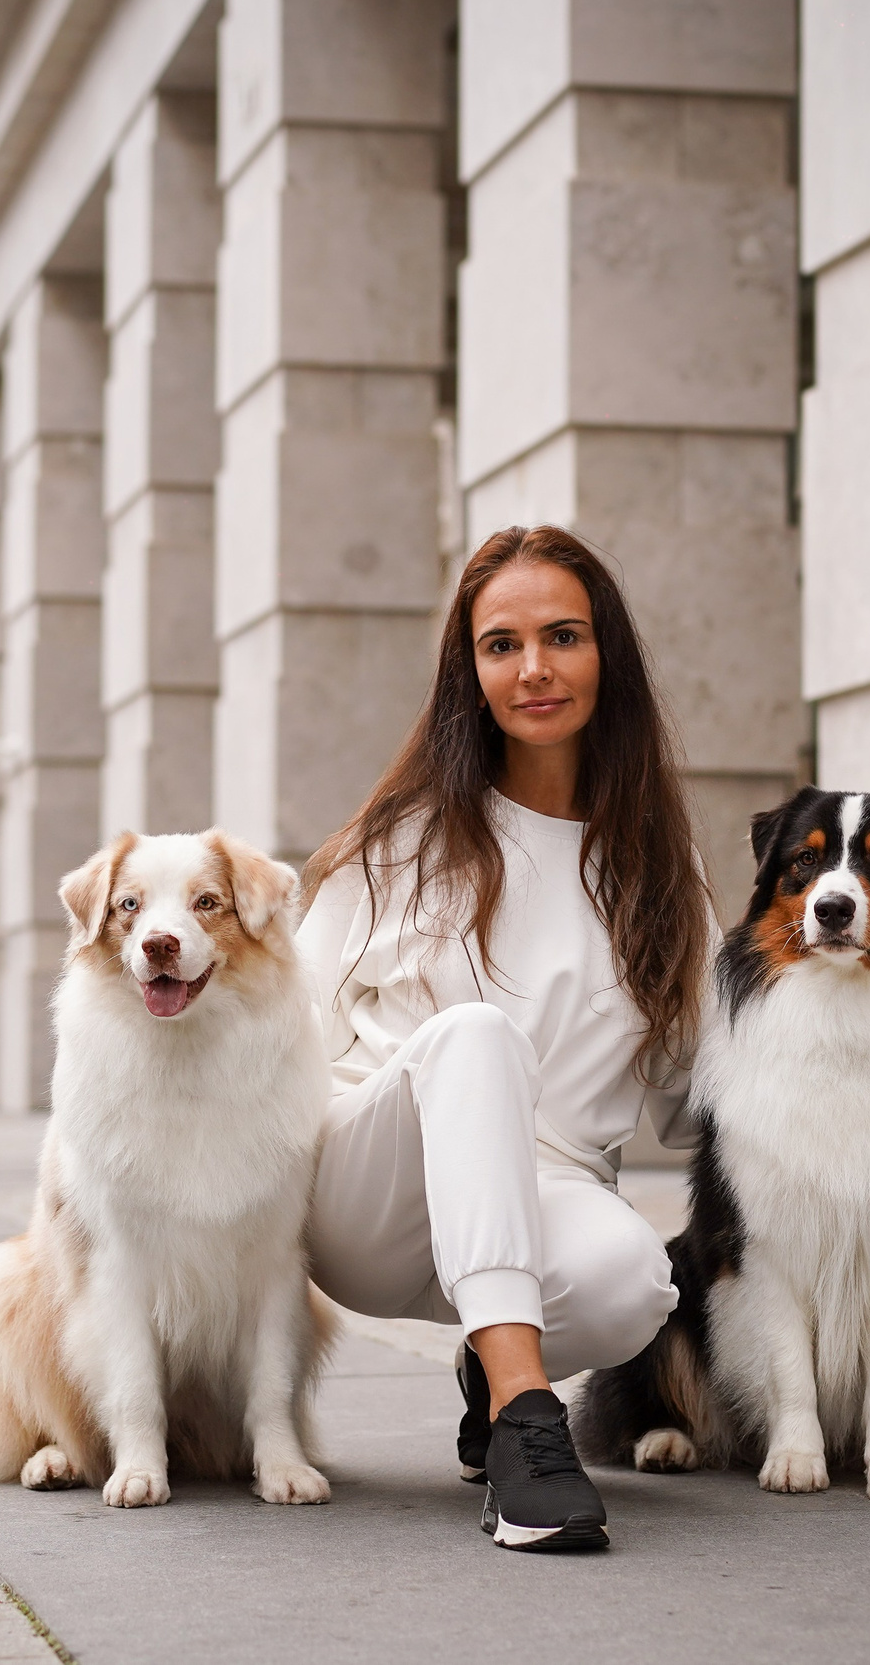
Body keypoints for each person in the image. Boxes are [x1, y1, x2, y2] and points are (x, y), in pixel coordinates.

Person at [297, 525, 713, 1552]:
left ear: (604, 655)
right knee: (472, 1038)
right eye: (500, 644)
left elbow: (692, 1095)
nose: (533, 668)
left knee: (634, 1285)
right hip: (373, 1188)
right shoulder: (397, 842)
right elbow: (280, 1038)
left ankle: (494, 1362)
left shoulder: (657, 873)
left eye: (562, 636)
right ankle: (530, 1426)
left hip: (546, 1189)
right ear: (468, 671)